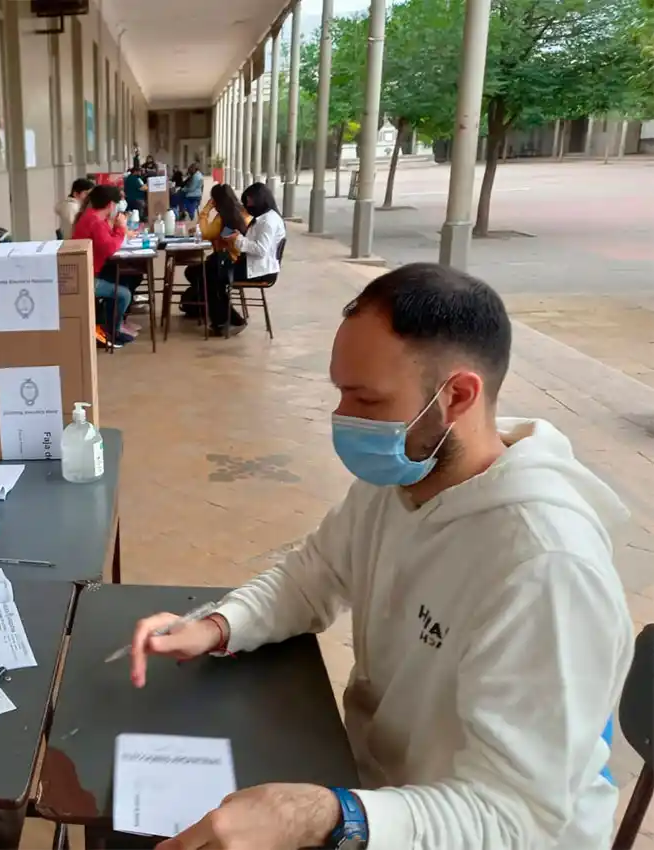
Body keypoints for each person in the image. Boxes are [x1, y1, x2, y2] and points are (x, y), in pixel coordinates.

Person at [129, 264, 632, 850]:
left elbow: (514, 818)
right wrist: (219, 625)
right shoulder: (402, 478)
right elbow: (312, 575)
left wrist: (329, 816)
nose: (345, 420)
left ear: (458, 396)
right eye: (341, 394)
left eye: (366, 398)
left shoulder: (546, 566)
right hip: (377, 790)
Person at [71, 184, 136, 348]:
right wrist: (121, 229)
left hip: (91, 270)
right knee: (124, 294)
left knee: (126, 277)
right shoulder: (95, 221)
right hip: (86, 277)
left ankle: (111, 326)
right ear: (110, 205)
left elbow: (108, 240)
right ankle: (111, 332)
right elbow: (109, 247)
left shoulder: (93, 217)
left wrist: (116, 228)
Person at [183, 183, 250, 332]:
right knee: (195, 273)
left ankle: (220, 316)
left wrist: (205, 210)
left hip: (227, 264)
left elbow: (207, 233)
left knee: (201, 276)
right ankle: (204, 307)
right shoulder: (240, 213)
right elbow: (212, 233)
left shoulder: (222, 218)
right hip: (237, 260)